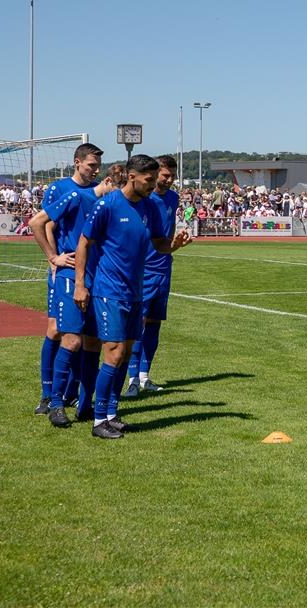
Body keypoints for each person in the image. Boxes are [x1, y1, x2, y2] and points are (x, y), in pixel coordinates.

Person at [75, 155, 192, 440]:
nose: (153, 185)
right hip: (109, 290)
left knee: (126, 353)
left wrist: (173, 245)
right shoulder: (108, 205)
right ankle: (98, 417)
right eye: (149, 180)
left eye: (155, 179)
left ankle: (112, 414)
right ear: (131, 176)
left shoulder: (150, 207)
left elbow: (158, 244)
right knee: (113, 352)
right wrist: (80, 283)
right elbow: (84, 243)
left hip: (136, 290)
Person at [28, 143, 107, 424]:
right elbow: (45, 223)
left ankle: (79, 398)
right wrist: (53, 258)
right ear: (77, 162)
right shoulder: (62, 190)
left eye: (98, 166)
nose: (95, 171)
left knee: (89, 339)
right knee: (59, 332)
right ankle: (49, 396)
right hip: (67, 274)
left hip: (93, 273)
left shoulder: (99, 192)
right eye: (91, 166)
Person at [126, 155, 182, 396]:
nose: (168, 180)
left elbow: (165, 234)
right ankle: (131, 379)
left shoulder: (174, 198)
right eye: (165, 175)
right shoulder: (144, 200)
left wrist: (173, 245)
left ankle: (145, 376)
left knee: (155, 325)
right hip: (144, 270)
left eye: (172, 176)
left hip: (163, 268)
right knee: (137, 325)